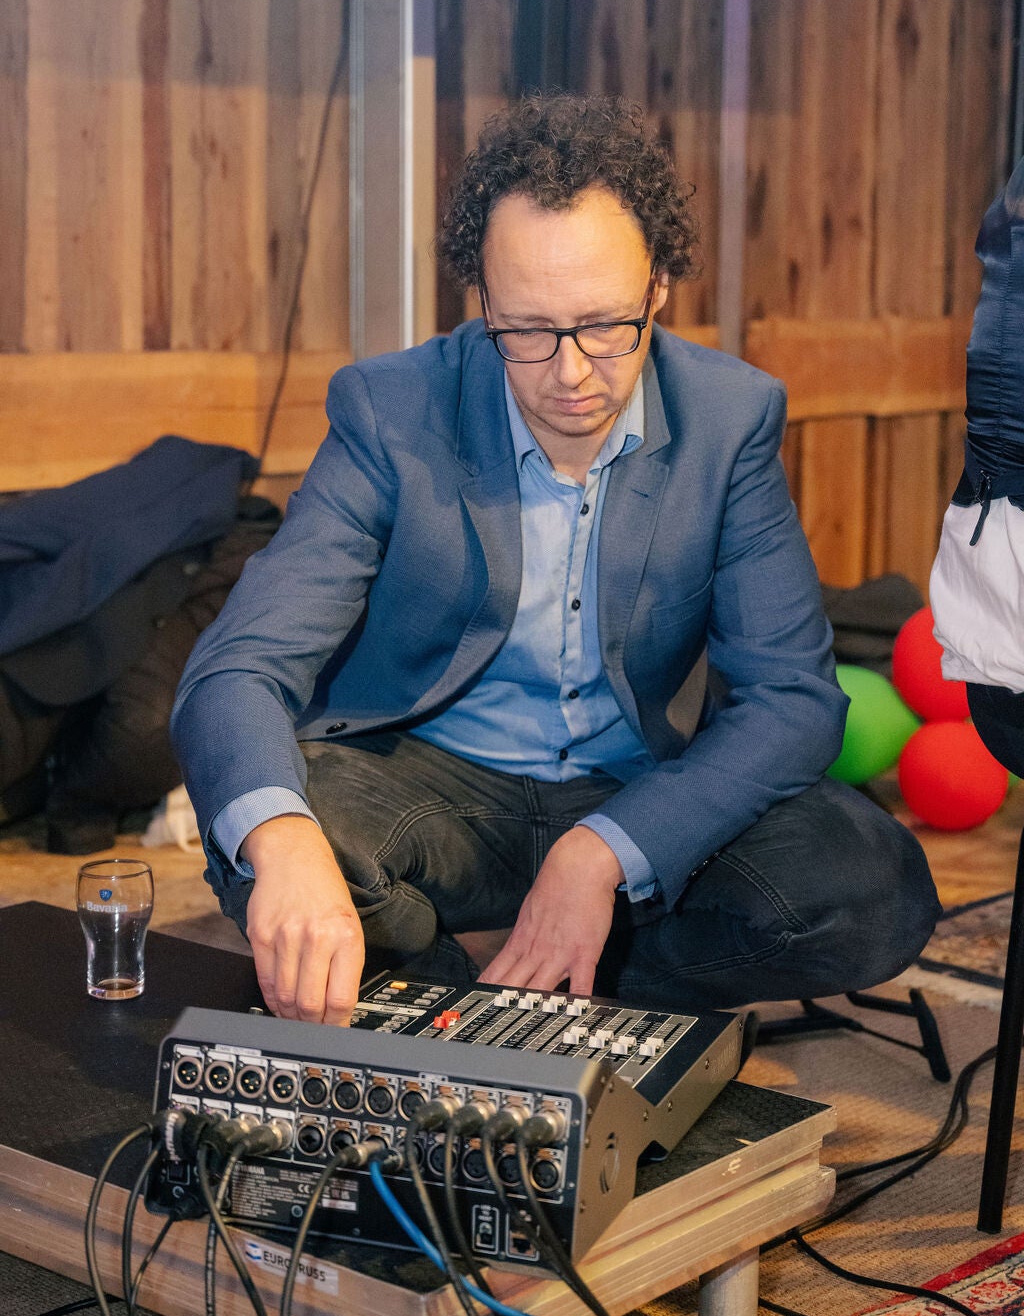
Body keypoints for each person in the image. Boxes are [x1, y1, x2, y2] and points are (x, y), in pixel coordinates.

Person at [171, 93, 939, 1027]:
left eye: (605, 325)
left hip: (638, 786)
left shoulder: (730, 418)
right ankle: (504, 996)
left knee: (870, 889)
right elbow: (238, 667)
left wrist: (605, 850)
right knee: (264, 831)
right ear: (483, 301)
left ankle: (506, 979)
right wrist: (287, 841)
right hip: (434, 789)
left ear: (658, 288)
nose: (570, 373)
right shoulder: (391, 409)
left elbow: (792, 699)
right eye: (527, 331)